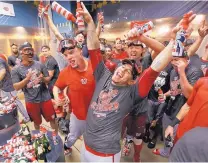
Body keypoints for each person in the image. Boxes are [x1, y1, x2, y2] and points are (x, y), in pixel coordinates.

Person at [78, 3, 195, 162]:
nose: (121, 70)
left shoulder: (133, 91)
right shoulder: (103, 76)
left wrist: (175, 40)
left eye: (127, 71)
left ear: (132, 80)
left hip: (105, 154)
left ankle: (137, 156)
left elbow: (155, 67)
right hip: (86, 146)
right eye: (122, 66)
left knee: (137, 137)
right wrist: (89, 22)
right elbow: (93, 49)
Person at [153, 44, 203, 157]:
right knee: (167, 135)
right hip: (170, 109)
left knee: (177, 141)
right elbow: (174, 89)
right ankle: (166, 152)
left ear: (186, 59)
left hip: (182, 114)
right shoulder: (172, 71)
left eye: (177, 59)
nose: (174, 62)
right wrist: (165, 95)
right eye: (172, 59)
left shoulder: (195, 72)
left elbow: (190, 95)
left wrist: (181, 73)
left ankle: (173, 156)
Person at [53, 39, 95, 155]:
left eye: (71, 52)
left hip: (96, 116)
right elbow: (56, 87)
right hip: (78, 116)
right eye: (65, 55)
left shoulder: (95, 66)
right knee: (72, 136)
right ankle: (66, 146)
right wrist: (57, 97)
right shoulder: (66, 72)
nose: (68, 57)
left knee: (91, 140)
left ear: (80, 51)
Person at [11, 43, 58, 132]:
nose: (30, 53)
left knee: (52, 119)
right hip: (31, 101)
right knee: (36, 122)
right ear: (22, 54)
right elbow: (16, 87)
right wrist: (27, 79)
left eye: (31, 51)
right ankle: (38, 137)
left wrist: (42, 78)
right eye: (27, 51)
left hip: (45, 98)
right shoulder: (16, 69)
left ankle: (55, 138)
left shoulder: (40, 64)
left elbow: (48, 79)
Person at [165, 77, 208, 143]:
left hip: (201, 144)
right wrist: (171, 125)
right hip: (182, 135)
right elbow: (188, 105)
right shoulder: (202, 81)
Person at [0, 54, 30, 124]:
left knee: (16, 102)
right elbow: (9, 69)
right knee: (9, 105)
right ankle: (14, 119)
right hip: (4, 86)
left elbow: (3, 71)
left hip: (8, 86)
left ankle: (27, 117)